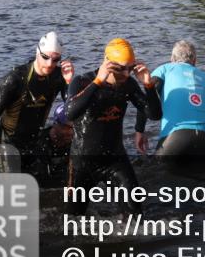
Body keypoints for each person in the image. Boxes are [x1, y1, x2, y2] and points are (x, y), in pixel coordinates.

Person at [66, 38, 160, 215]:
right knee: (72, 220)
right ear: (107, 62)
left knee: (136, 216)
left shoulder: (128, 85)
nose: (126, 74)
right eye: (121, 68)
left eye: (130, 68)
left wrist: (148, 85)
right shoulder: (82, 81)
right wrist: (97, 82)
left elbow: (154, 115)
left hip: (115, 160)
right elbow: (69, 113)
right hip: (82, 162)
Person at [0, 32, 74, 172]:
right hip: (9, 141)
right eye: (45, 57)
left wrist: (69, 82)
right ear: (37, 52)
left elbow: (71, 108)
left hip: (34, 139)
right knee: (12, 182)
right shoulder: (15, 79)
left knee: (37, 180)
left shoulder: (58, 76)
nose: (50, 63)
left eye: (56, 59)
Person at [133, 40, 205, 162]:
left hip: (176, 135)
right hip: (204, 138)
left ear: (172, 59)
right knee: (196, 173)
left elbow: (146, 100)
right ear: (194, 61)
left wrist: (139, 130)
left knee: (156, 170)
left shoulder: (164, 70)